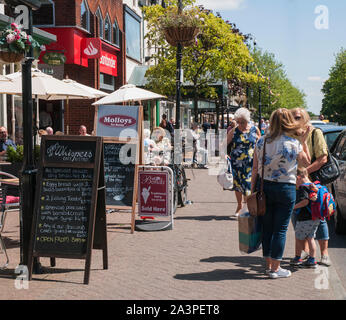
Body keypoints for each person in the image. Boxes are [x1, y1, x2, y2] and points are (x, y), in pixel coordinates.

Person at [251, 108, 311, 278]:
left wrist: (252, 189)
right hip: (286, 188)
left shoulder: (262, 141)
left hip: (264, 187)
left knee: (267, 228)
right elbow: (306, 162)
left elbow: (255, 168)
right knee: (281, 229)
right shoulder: (293, 143)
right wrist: (303, 141)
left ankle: (269, 265)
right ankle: (276, 269)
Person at [291, 108, 331, 266]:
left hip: (312, 184)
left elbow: (323, 159)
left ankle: (324, 254)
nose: (294, 119)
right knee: (299, 217)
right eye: (292, 117)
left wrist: (303, 174)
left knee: (319, 219)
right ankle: (309, 253)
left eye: (298, 117)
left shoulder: (315, 133)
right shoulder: (290, 134)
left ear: (305, 118)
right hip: (296, 185)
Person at [227, 107, 261, 215]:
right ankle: (239, 205)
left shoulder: (254, 130)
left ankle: (247, 206)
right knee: (237, 185)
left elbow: (260, 144)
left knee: (248, 184)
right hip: (237, 162)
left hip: (251, 162)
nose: (240, 124)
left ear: (247, 120)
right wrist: (224, 155)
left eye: (242, 122)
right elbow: (224, 144)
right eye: (238, 122)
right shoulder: (234, 131)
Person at [291, 167, 319, 268]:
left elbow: (305, 201)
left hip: (305, 218)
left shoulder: (303, 187)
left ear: (298, 177)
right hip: (315, 217)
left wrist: (293, 207)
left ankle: (297, 258)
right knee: (311, 238)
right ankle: (312, 259)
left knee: (299, 238)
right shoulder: (313, 185)